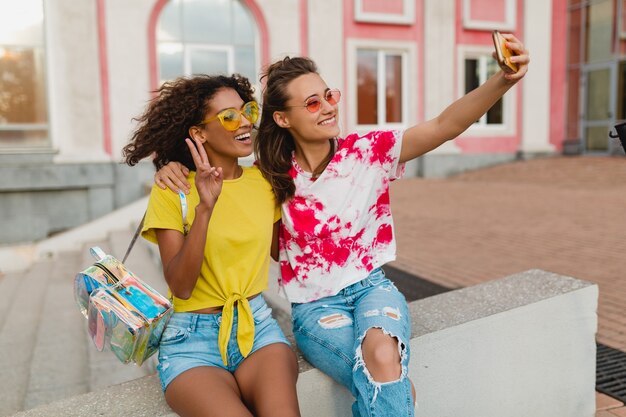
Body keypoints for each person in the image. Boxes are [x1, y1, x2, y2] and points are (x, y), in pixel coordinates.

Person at [156, 33, 530, 417]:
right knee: (390, 378)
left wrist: (501, 80)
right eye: (312, 103)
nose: (327, 108)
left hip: (373, 289)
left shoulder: (369, 152)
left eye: (329, 96)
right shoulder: (270, 177)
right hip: (315, 308)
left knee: (383, 353)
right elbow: (231, 191)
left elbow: (444, 126)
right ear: (283, 118)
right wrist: (170, 166)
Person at [123, 74, 300, 417]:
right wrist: (205, 208)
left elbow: (286, 252)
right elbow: (182, 286)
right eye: (229, 116)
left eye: (247, 110)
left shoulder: (265, 183)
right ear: (199, 133)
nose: (246, 121)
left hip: (257, 328)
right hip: (192, 342)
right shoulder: (172, 190)